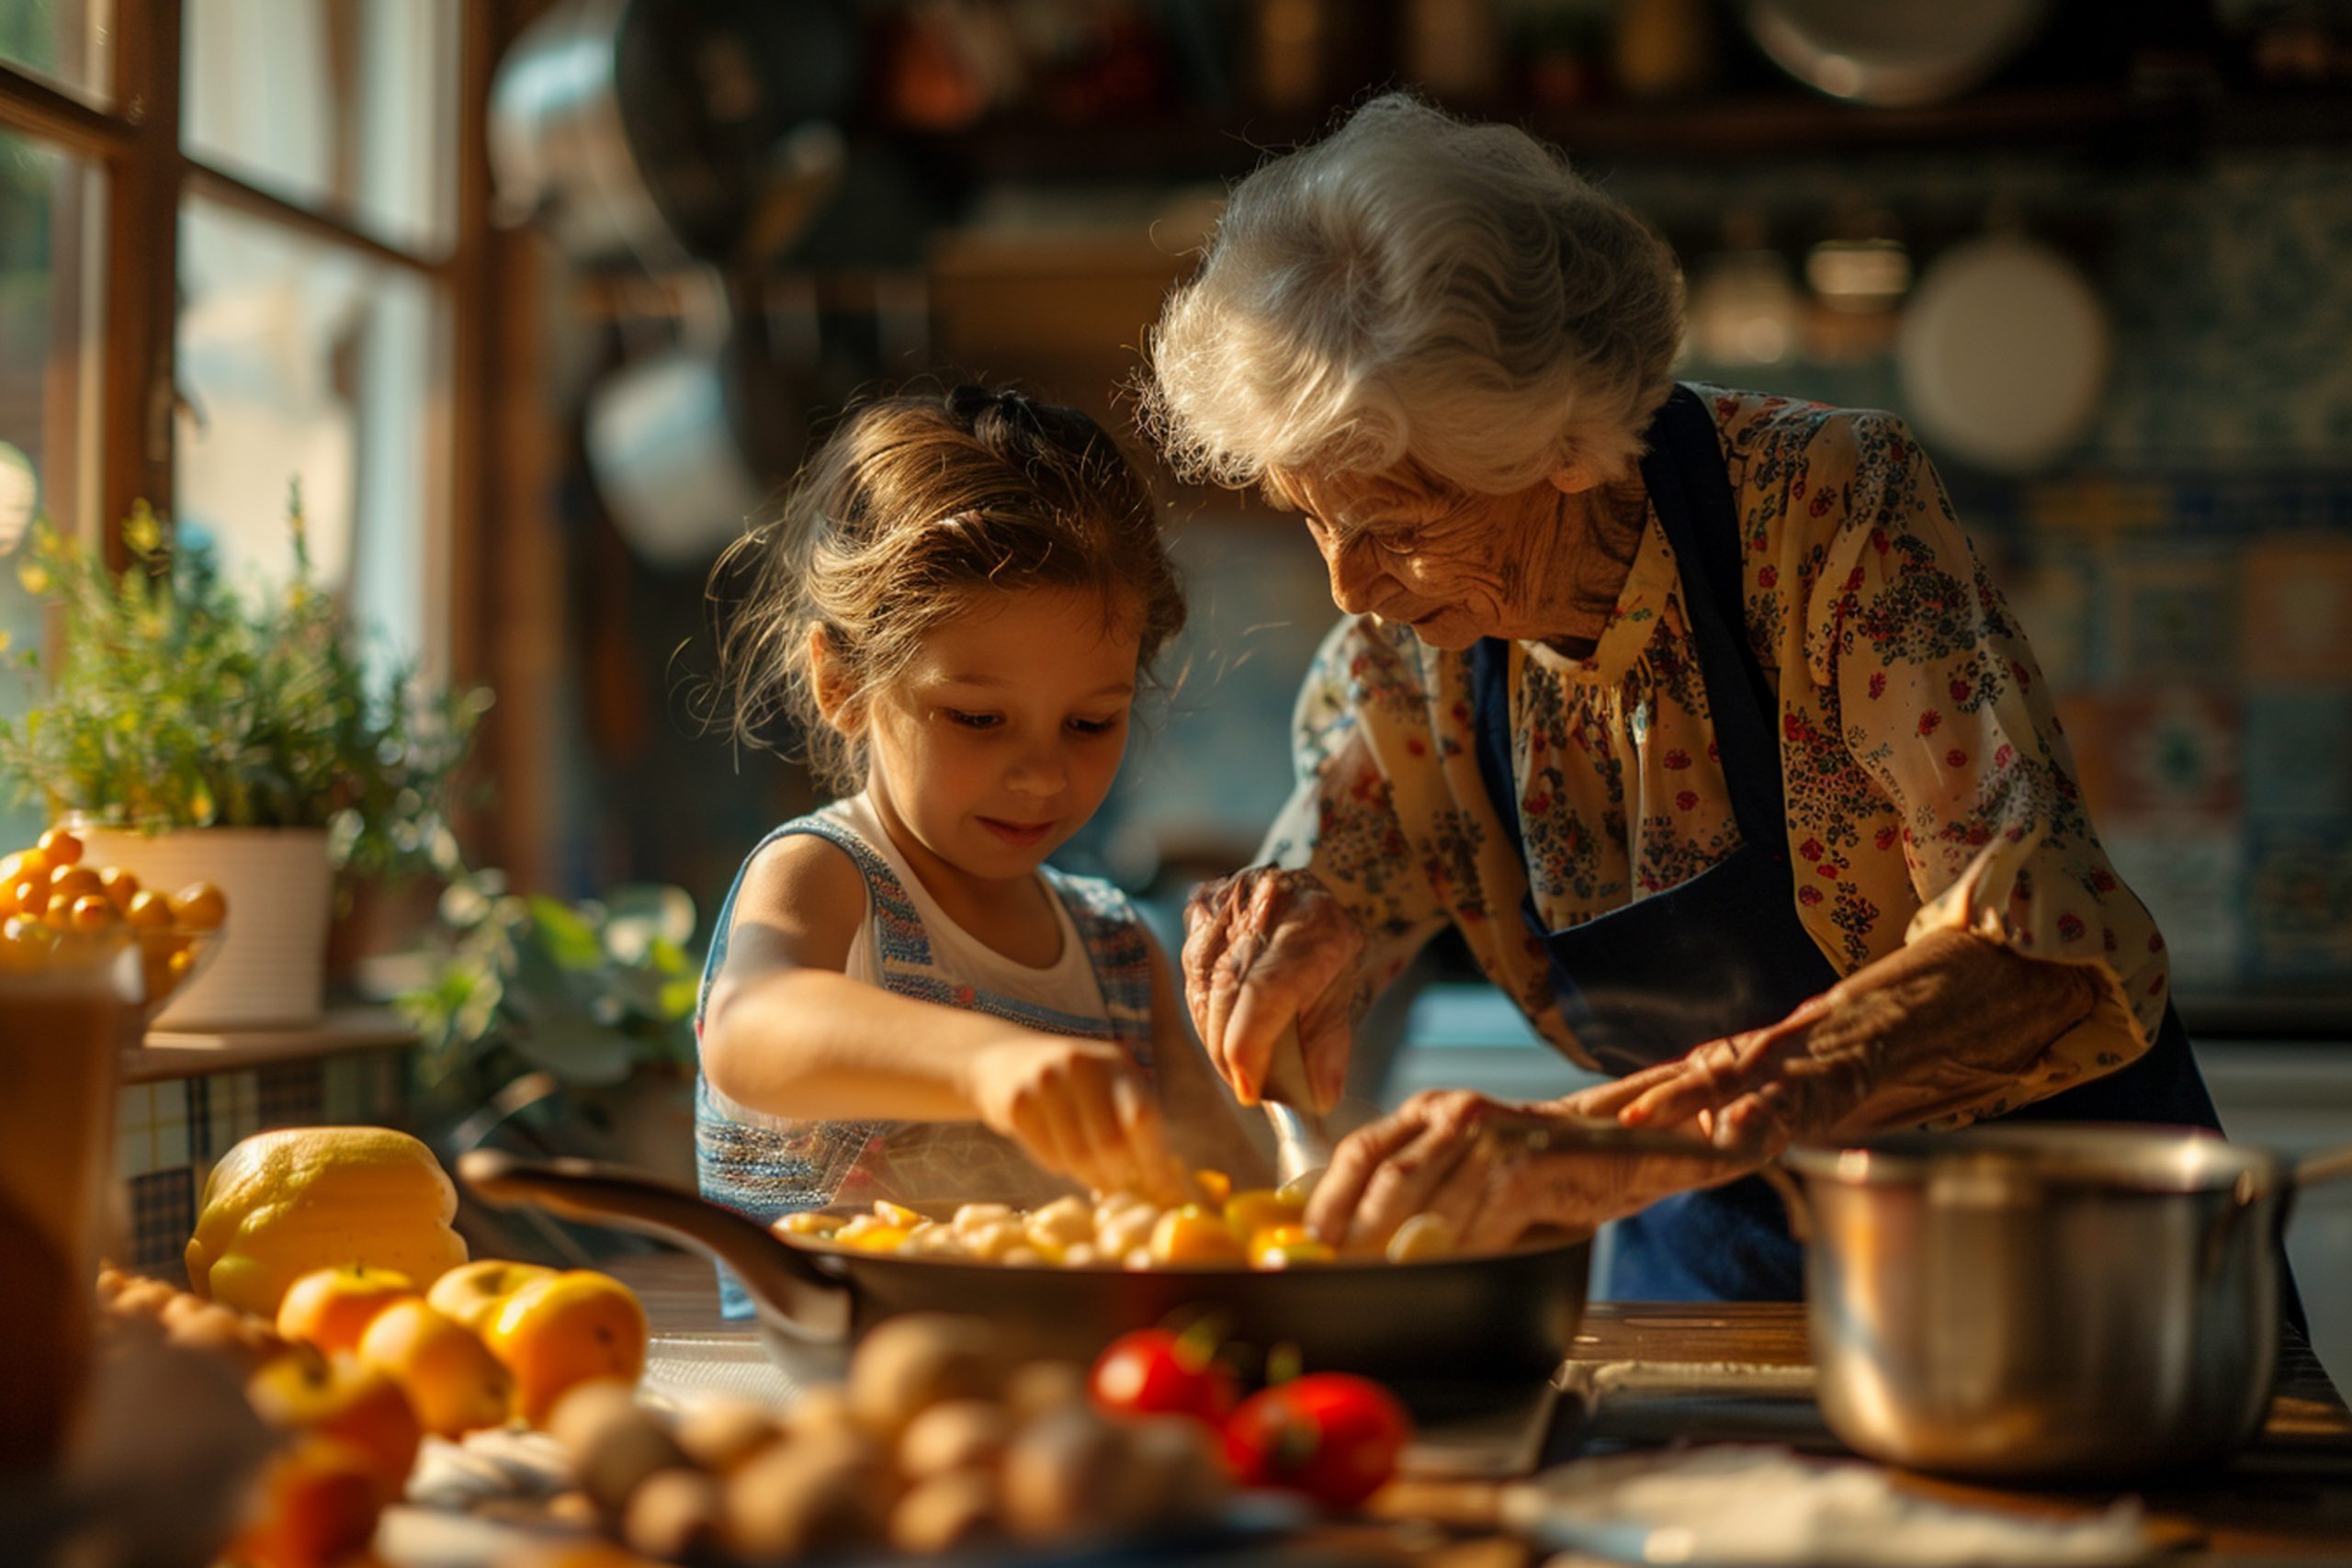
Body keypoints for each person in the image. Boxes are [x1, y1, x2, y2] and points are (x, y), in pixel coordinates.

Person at [1145, 95, 2227, 1303]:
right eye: (1311, 517)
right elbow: (1335, 884)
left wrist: (1621, 1135)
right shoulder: (1404, 655)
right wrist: (1287, 933)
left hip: (2034, 1250)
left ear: (1560, 436)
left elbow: (2040, 947)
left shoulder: (1826, 511)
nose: (1348, 582)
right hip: (1717, 1256)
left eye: (1397, 522)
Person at [695, 383, 1255, 1314]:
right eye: (978, 717)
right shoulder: (827, 878)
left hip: (1070, 1422)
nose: (1039, 773)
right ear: (840, 682)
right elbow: (750, 1031)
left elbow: (1225, 1202)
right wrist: (987, 1064)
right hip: (835, 1418)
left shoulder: (1118, 956)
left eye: (1089, 722)